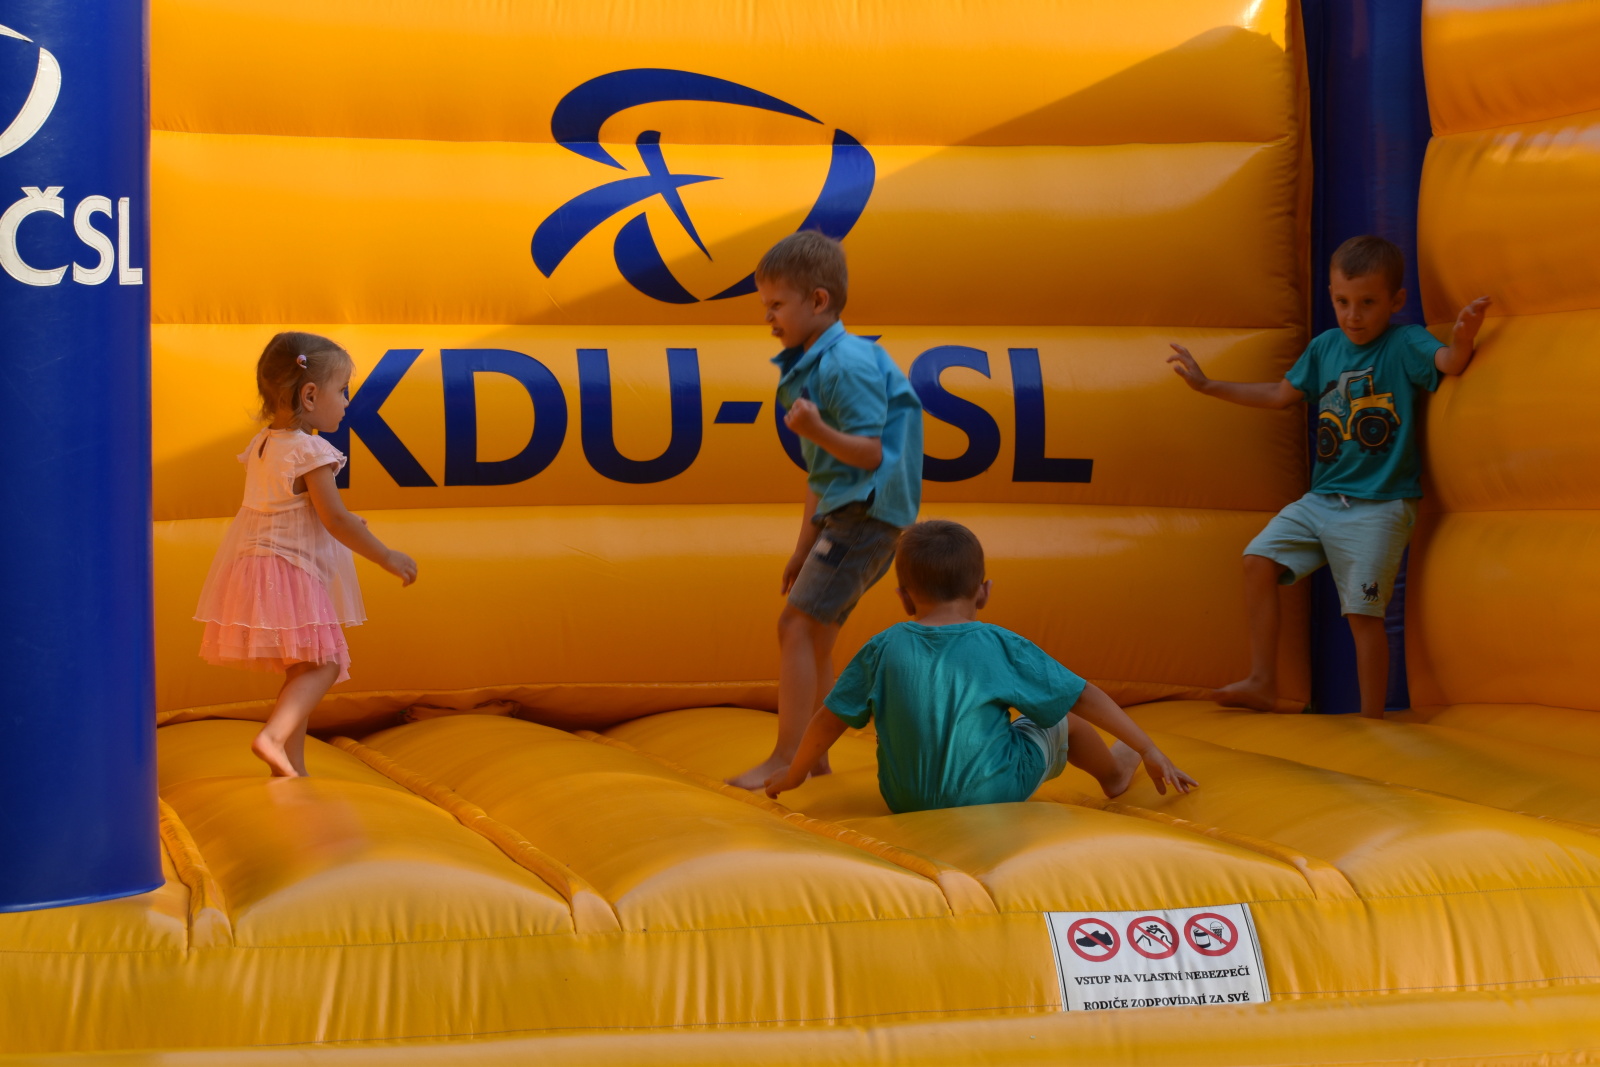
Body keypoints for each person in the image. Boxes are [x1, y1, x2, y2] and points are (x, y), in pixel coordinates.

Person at [1166, 235, 1490, 718]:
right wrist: (1208, 385)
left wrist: (1462, 338)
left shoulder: (1404, 342)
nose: (1353, 316)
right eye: (1342, 302)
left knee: (1363, 613)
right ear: (1332, 296)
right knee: (1257, 559)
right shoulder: (1324, 348)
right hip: (1323, 500)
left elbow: (1449, 363)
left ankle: (1371, 718)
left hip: (1379, 505)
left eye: (1367, 303)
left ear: (1395, 301)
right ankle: (1263, 680)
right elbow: (1280, 395)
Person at [764, 520, 1197, 810]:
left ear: (904, 598)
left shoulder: (883, 646)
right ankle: (1115, 774)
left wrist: (796, 774)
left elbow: (829, 718)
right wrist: (1148, 749)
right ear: (984, 591)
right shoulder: (998, 643)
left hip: (904, 799)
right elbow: (1082, 696)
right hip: (993, 792)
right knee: (1062, 716)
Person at [726, 231, 924, 790]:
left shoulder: (846, 363)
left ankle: (787, 756)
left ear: (818, 300)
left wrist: (816, 429)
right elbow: (822, 474)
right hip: (855, 515)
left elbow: (871, 451)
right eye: (764, 305)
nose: (768, 318)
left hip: (869, 514)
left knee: (795, 625)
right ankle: (815, 758)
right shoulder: (815, 366)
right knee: (817, 636)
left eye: (776, 304)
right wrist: (803, 547)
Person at [194, 332, 418, 777]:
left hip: (255, 567)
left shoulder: (264, 444)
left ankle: (290, 764)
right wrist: (386, 555)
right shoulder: (311, 451)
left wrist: (344, 521)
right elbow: (334, 520)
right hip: (290, 571)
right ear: (310, 395)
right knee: (327, 664)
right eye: (342, 391)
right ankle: (273, 738)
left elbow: (295, 508)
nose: (347, 402)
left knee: (303, 668)